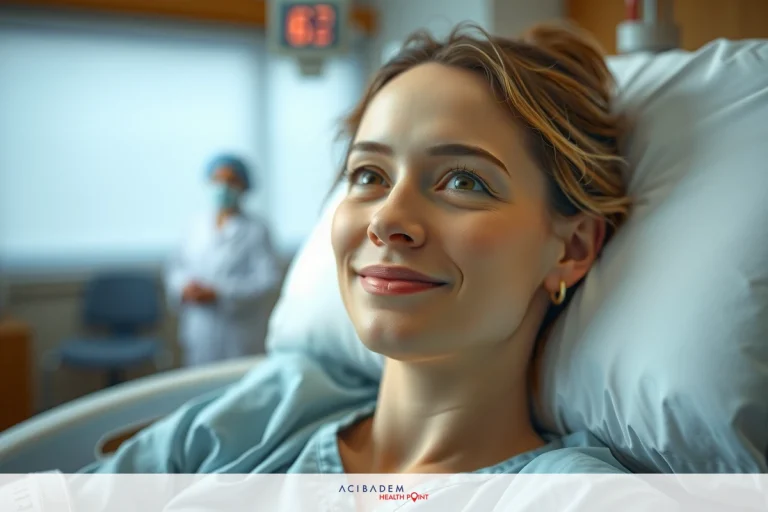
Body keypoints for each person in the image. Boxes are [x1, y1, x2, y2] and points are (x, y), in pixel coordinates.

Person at [84, 21, 632, 474]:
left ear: (572, 246)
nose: (387, 220)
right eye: (369, 174)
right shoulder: (265, 414)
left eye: (464, 181)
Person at [165, 154, 281, 367]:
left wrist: (220, 293)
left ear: (244, 186)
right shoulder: (194, 226)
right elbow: (176, 268)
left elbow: (268, 280)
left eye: (231, 180)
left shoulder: (256, 229)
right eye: (217, 179)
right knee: (197, 384)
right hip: (200, 326)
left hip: (238, 331)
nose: (223, 187)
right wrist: (185, 288)